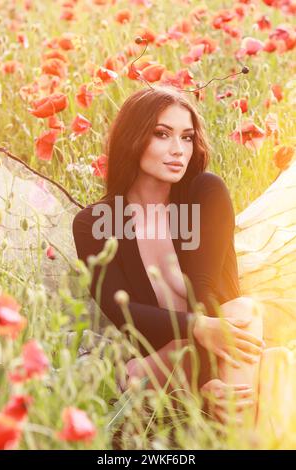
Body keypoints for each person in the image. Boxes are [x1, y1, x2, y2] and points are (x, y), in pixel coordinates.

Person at [72, 85, 265, 426]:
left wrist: (209, 377)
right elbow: (122, 312)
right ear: (133, 138)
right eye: (162, 134)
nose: (178, 150)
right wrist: (199, 339)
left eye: (187, 137)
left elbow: (204, 288)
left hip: (225, 351)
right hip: (157, 364)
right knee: (190, 347)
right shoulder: (94, 223)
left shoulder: (205, 193)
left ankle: (227, 429)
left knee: (242, 311)